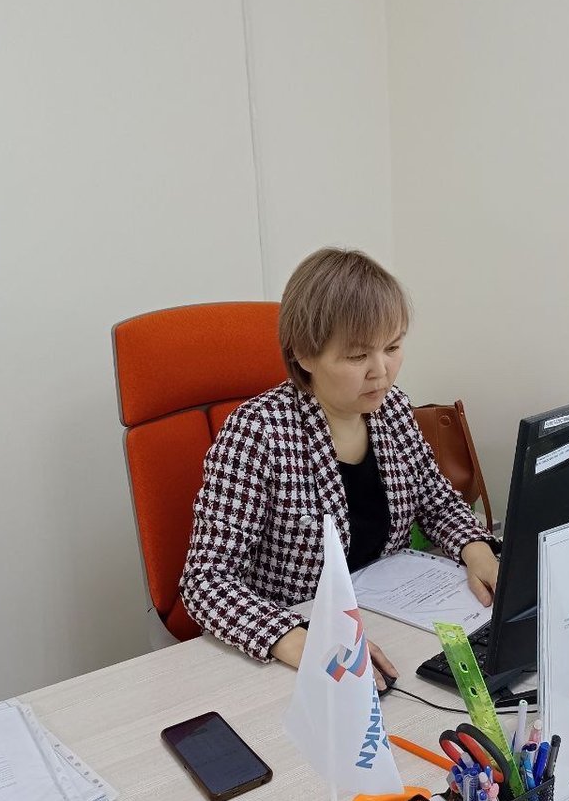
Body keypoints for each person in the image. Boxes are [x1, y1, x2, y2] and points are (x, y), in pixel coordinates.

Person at [180, 248, 500, 690]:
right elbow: (205, 581)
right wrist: (300, 641)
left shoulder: (392, 409)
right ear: (304, 355)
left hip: (389, 620)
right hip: (290, 646)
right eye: (356, 357)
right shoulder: (258, 433)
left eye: (392, 347)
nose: (380, 372)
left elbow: (437, 502)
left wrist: (476, 548)